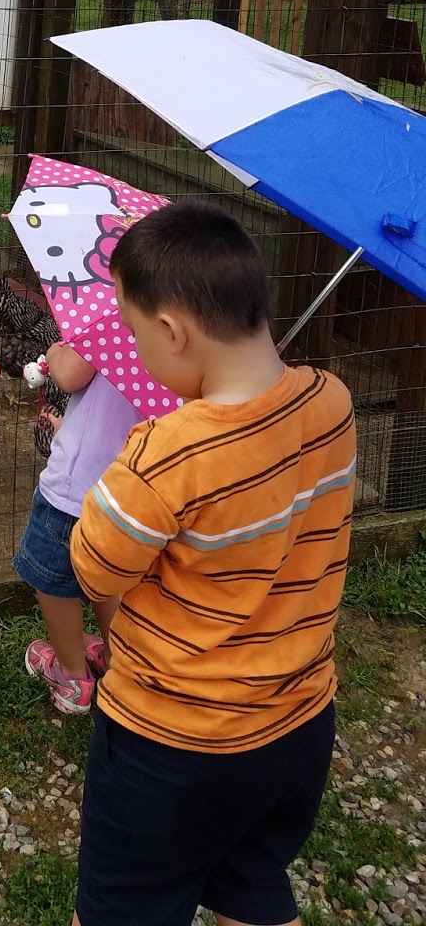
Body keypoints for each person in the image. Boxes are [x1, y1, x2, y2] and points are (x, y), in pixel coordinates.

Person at [69, 200, 356, 926]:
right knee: (250, 885)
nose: (136, 352)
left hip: (177, 747)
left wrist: (119, 485)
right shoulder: (334, 403)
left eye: (137, 337)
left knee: (121, 911)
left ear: (173, 331)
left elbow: (96, 570)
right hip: (298, 725)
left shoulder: (167, 453)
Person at [14, 339, 140, 715]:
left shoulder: (119, 318)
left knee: (50, 578)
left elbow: (68, 374)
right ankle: (120, 663)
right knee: (108, 575)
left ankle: (71, 677)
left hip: (76, 487)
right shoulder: (181, 327)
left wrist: (57, 350)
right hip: (125, 484)